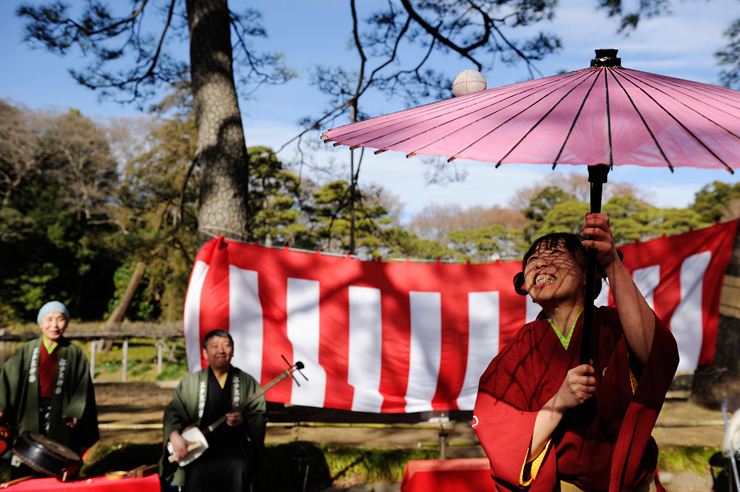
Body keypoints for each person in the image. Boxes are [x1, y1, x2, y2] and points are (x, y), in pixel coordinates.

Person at [473, 214, 679, 491]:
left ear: (589, 273)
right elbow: (497, 429)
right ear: (524, 286)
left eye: (557, 254)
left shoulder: (614, 327)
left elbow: (655, 354)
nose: (542, 263)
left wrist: (610, 263)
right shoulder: (520, 350)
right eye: (533, 260)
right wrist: (559, 402)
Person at [0, 301, 99, 475]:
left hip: (61, 414)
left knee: (59, 455)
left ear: (67, 322)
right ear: (40, 322)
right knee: (26, 455)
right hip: (29, 411)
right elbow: (8, 378)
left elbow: (82, 387)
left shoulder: (74, 353)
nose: (54, 325)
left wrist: (75, 412)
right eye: (49, 319)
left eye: (60, 319)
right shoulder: (27, 351)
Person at [161, 329, 266, 491]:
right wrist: (174, 435)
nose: (221, 351)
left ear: (233, 351)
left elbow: (259, 413)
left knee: (240, 469)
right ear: (205, 353)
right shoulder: (191, 383)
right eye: (214, 346)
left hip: (235, 449)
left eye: (226, 346)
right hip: (197, 450)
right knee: (195, 473)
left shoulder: (246, 382)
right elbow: (173, 412)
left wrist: (243, 421)